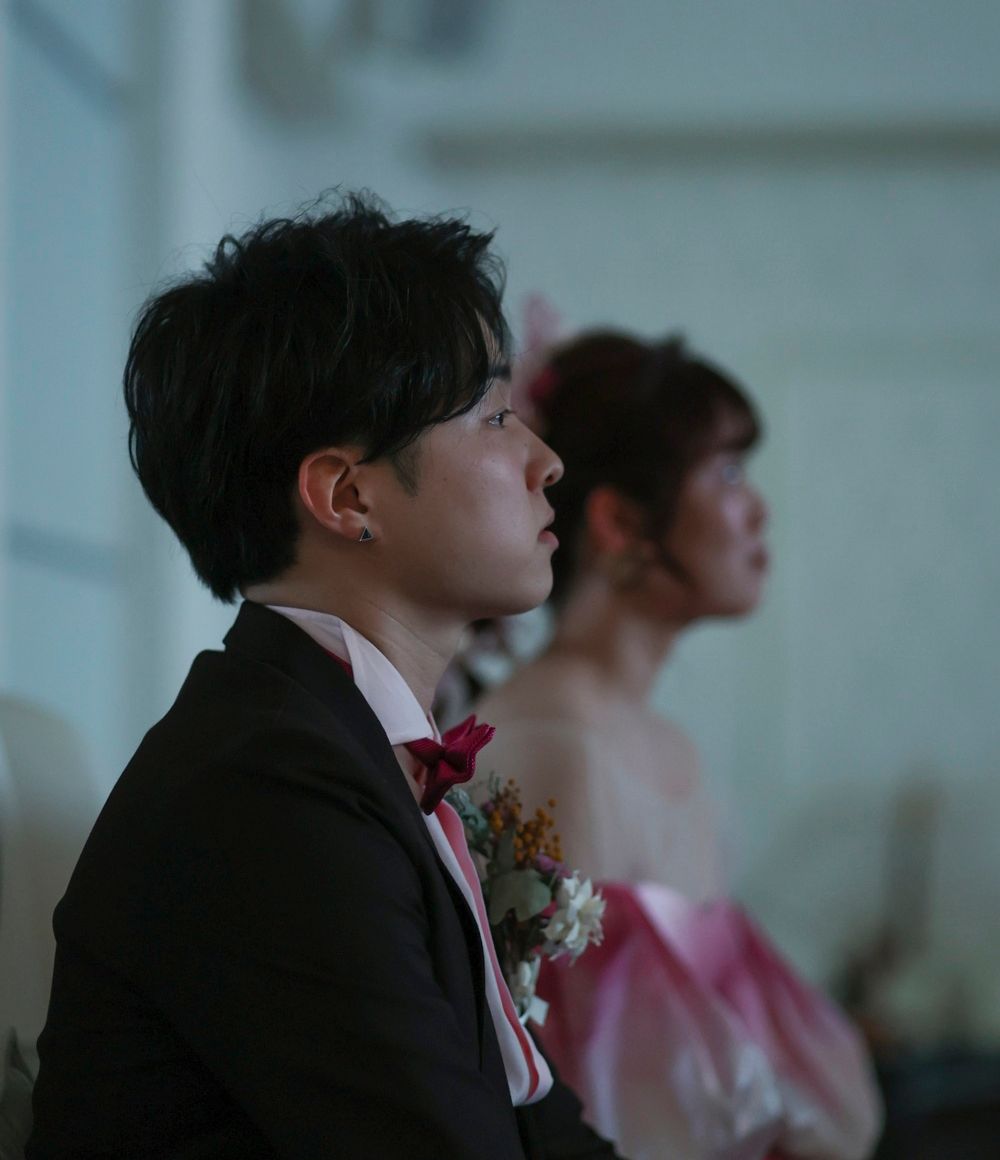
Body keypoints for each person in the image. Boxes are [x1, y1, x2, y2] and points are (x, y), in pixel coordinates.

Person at [26, 197, 622, 1159]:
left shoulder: (332, 742)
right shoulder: (264, 786)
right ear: (348, 496)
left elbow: (539, 1129)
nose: (547, 463)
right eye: (494, 415)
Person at [475, 330, 883, 1160]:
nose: (759, 509)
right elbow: (584, 1089)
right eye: (727, 474)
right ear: (620, 521)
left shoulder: (665, 747)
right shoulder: (556, 747)